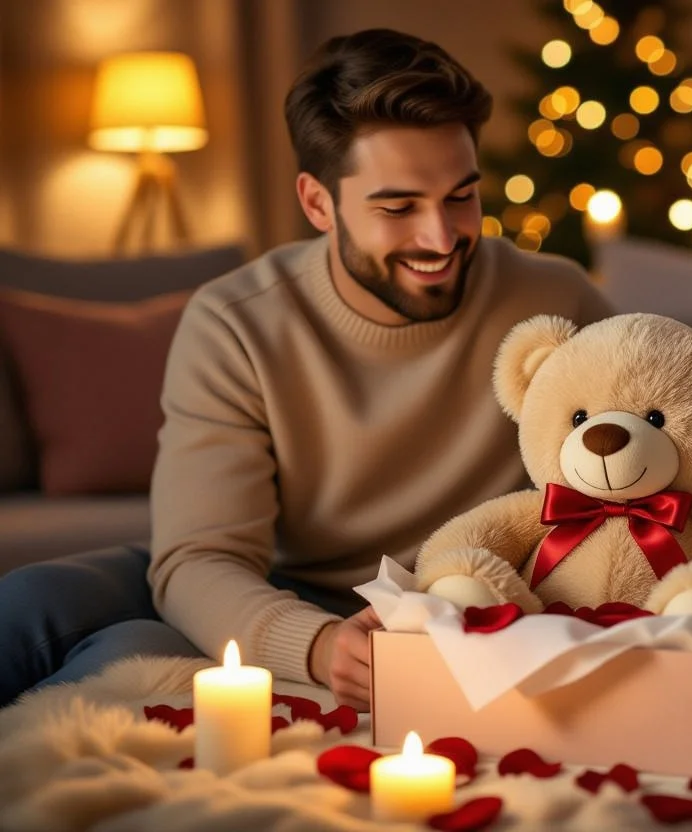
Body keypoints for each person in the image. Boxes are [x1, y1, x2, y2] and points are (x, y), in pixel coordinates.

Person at [0, 29, 613, 711]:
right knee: (26, 603)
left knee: (116, 662)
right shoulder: (236, 321)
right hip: (273, 583)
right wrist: (316, 646)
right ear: (318, 204)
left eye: (461, 196)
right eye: (398, 207)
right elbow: (198, 558)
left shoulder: (557, 301)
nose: (441, 238)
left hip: (439, 599)